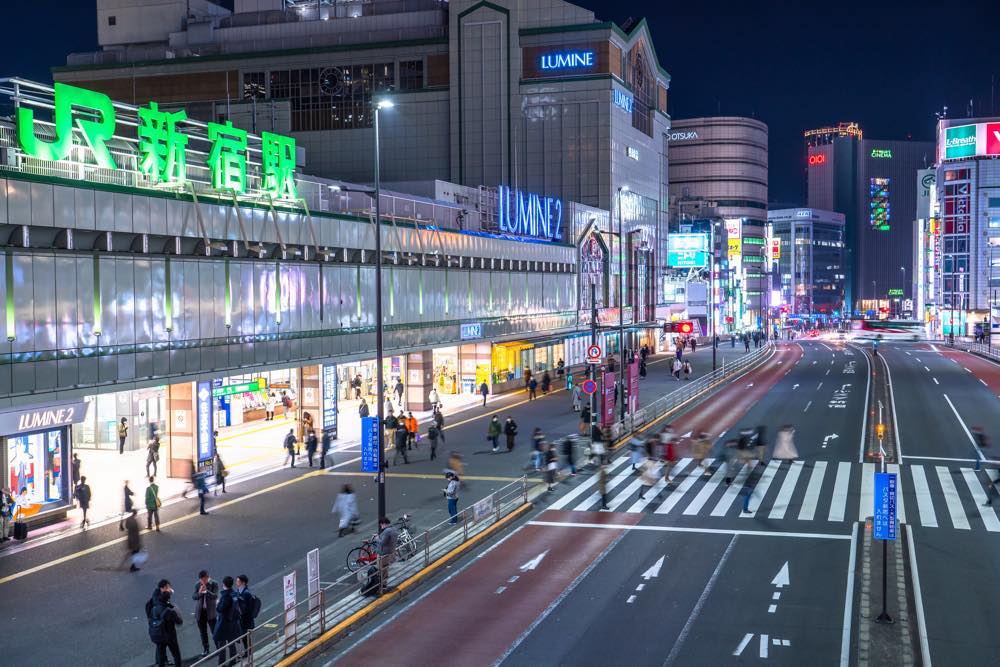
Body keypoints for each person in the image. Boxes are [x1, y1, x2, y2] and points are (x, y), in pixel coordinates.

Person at [149, 584, 183, 667]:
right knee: (176, 655)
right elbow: (179, 622)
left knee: (161, 657)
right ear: (168, 599)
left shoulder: (154, 609)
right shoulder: (169, 610)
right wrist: (175, 609)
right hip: (170, 637)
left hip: (159, 636)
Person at [213, 576, 242, 666]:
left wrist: (217, 603)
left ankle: (221, 664)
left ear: (224, 584)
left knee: (221, 645)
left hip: (223, 624)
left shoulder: (225, 596)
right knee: (231, 644)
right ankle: (233, 661)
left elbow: (220, 609)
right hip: (233, 622)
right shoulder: (234, 594)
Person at [192, 570, 219, 657]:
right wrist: (200, 592)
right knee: (203, 632)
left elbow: (215, 596)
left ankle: (219, 648)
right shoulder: (197, 584)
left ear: (207, 577)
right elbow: (194, 597)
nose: (202, 581)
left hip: (211, 612)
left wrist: (206, 591)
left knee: (214, 631)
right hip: (201, 612)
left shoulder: (214, 584)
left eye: (204, 579)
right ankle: (206, 649)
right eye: (201, 580)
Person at [375, 516, 398, 588]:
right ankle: (384, 583)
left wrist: (376, 538)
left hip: (383, 554)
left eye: (381, 525)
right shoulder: (393, 529)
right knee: (385, 569)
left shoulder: (387, 531)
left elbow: (382, 543)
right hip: (390, 552)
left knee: (380, 569)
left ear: (384, 523)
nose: (381, 526)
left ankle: (381, 585)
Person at [235, 574, 258, 644]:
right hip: (242, 619)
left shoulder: (246, 593)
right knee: (245, 638)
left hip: (246, 620)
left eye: (238, 581)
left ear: (243, 583)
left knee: (246, 638)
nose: (236, 583)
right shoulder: (239, 591)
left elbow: (247, 608)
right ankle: (247, 653)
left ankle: (248, 653)